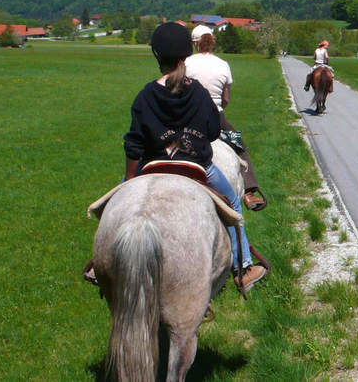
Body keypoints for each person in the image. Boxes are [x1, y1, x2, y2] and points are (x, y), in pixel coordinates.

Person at [86, 22, 267, 294]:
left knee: (115, 207)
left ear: (157, 56)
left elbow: (134, 144)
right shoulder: (199, 94)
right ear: (186, 55)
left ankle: (100, 265)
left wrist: (131, 179)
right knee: (233, 206)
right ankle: (243, 268)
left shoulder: (146, 95)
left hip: (152, 167)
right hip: (198, 168)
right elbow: (214, 131)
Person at [186, 25, 267, 211]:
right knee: (239, 146)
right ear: (211, 42)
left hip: (188, 117)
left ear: (195, 44)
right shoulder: (223, 65)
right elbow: (226, 98)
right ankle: (248, 192)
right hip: (216, 118)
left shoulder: (186, 64)